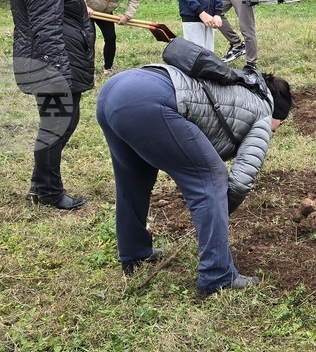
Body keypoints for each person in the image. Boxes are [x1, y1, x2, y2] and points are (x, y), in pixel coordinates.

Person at [95, 42, 292, 294]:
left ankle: (134, 253)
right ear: (279, 114)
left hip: (117, 89)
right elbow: (240, 180)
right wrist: (216, 210)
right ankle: (217, 276)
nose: (276, 130)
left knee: (132, 180)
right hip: (150, 100)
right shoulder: (264, 113)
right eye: (280, 125)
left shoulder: (239, 86)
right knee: (212, 177)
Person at [0, 0, 94, 211]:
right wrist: (58, 76)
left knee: (57, 125)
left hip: (49, 60)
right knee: (57, 126)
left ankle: (40, 184)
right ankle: (50, 192)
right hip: (52, 62)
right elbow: (46, 27)